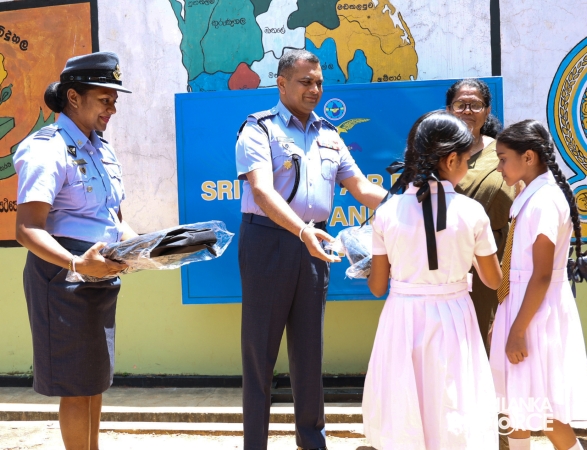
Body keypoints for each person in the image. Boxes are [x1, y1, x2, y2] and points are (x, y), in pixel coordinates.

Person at [235, 49, 386, 450]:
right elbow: (262, 192)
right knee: (259, 354)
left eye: (319, 82)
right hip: (268, 241)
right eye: (305, 82)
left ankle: (312, 440)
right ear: (282, 84)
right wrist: (301, 230)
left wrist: (408, 203)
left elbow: (361, 188)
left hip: (316, 244)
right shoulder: (258, 129)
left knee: (309, 350)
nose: (315, 89)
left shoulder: (329, 134)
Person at [13, 52, 136, 450]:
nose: (112, 109)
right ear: (73, 97)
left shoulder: (101, 149)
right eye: (104, 99)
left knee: (93, 381)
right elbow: (27, 229)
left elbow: (112, 218)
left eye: (114, 100)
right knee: (75, 385)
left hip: (100, 272)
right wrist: (76, 263)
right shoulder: (46, 148)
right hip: (63, 275)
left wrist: (145, 248)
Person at [362, 111, 502, 449]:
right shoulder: (472, 212)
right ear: (451, 160)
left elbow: (377, 287)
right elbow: (493, 280)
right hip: (454, 317)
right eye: (467, 160)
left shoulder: (386, 212)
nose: (467, 166)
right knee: (453, 400)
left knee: (405, 401)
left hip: (403, 318)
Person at [490, 120, 587, 450]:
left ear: (528, 157)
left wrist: (517, 330)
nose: (499, 167)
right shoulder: (532, 196)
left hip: (533, 314)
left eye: (503, 159)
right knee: (516, 406)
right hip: (522, 307)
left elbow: (542, 274)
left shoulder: (544, 200)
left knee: (544, 411)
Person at [446, 79, 514, 352]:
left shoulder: (503, 153)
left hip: (493, 262)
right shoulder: (436, 155)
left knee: (488, 341)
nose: (467, 110)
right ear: (449, 109)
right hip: (445, 263)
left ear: (487, 111)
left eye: (475, 105)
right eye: (460, 104)